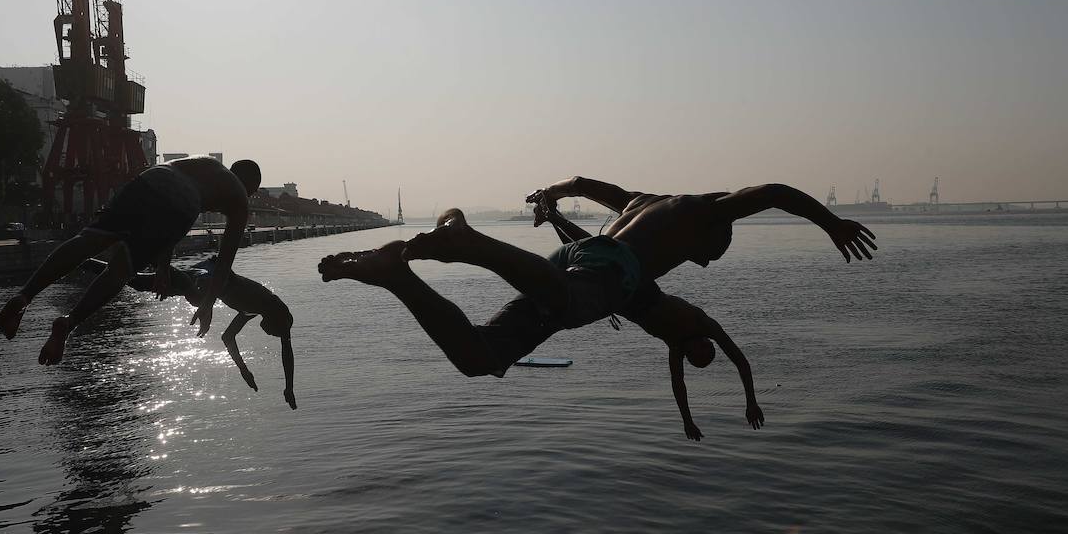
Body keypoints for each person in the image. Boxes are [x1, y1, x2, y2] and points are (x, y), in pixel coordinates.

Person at [318, 175, 873, 384]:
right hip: (598, 272)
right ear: (715, 230)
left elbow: (583, 181)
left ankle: (396, 276)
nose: (702, 263)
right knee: (573, 304)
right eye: (711, 255)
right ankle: (472, 244)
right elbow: (774, 191)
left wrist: (554, 194)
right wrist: (831, 223)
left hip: (579, 259)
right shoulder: (706, 210)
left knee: (482, 359)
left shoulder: (642, 200)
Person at [0, 156, 261, 365]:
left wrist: (162, 268)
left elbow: (175, 190)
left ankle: (24, 296)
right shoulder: (239, 199)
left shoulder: (207, 163)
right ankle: (68, 323)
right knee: (119, 272)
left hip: (154, 178)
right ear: (251, 189)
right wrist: (207, 303)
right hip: (182, 204)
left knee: (89, 241)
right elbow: (224, 263)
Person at [534, 198, 761, 440]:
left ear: (690, 354)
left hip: (624, 305)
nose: (704, 344)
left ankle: (552, 220)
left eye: (700, 352)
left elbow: (679, 386)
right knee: (598, 250)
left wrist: (688, 422)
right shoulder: (701, 322)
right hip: (644, 291)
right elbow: (740, 361)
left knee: (583, 263)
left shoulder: (676, 347)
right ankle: (554, 218)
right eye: (707, 346)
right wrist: (751, 402)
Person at [87, 256, 297, 409]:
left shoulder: (253, 310)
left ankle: (85, 262)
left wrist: (244, 370)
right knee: (195, 299)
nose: (272, 336)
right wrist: (206, 308)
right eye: (275, 334)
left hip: (201, 283)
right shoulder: (262, 300)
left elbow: (227, 337)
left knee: (138, 283)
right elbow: (286, 351)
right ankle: (162, 263)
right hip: (208, 275)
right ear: (275, 321)